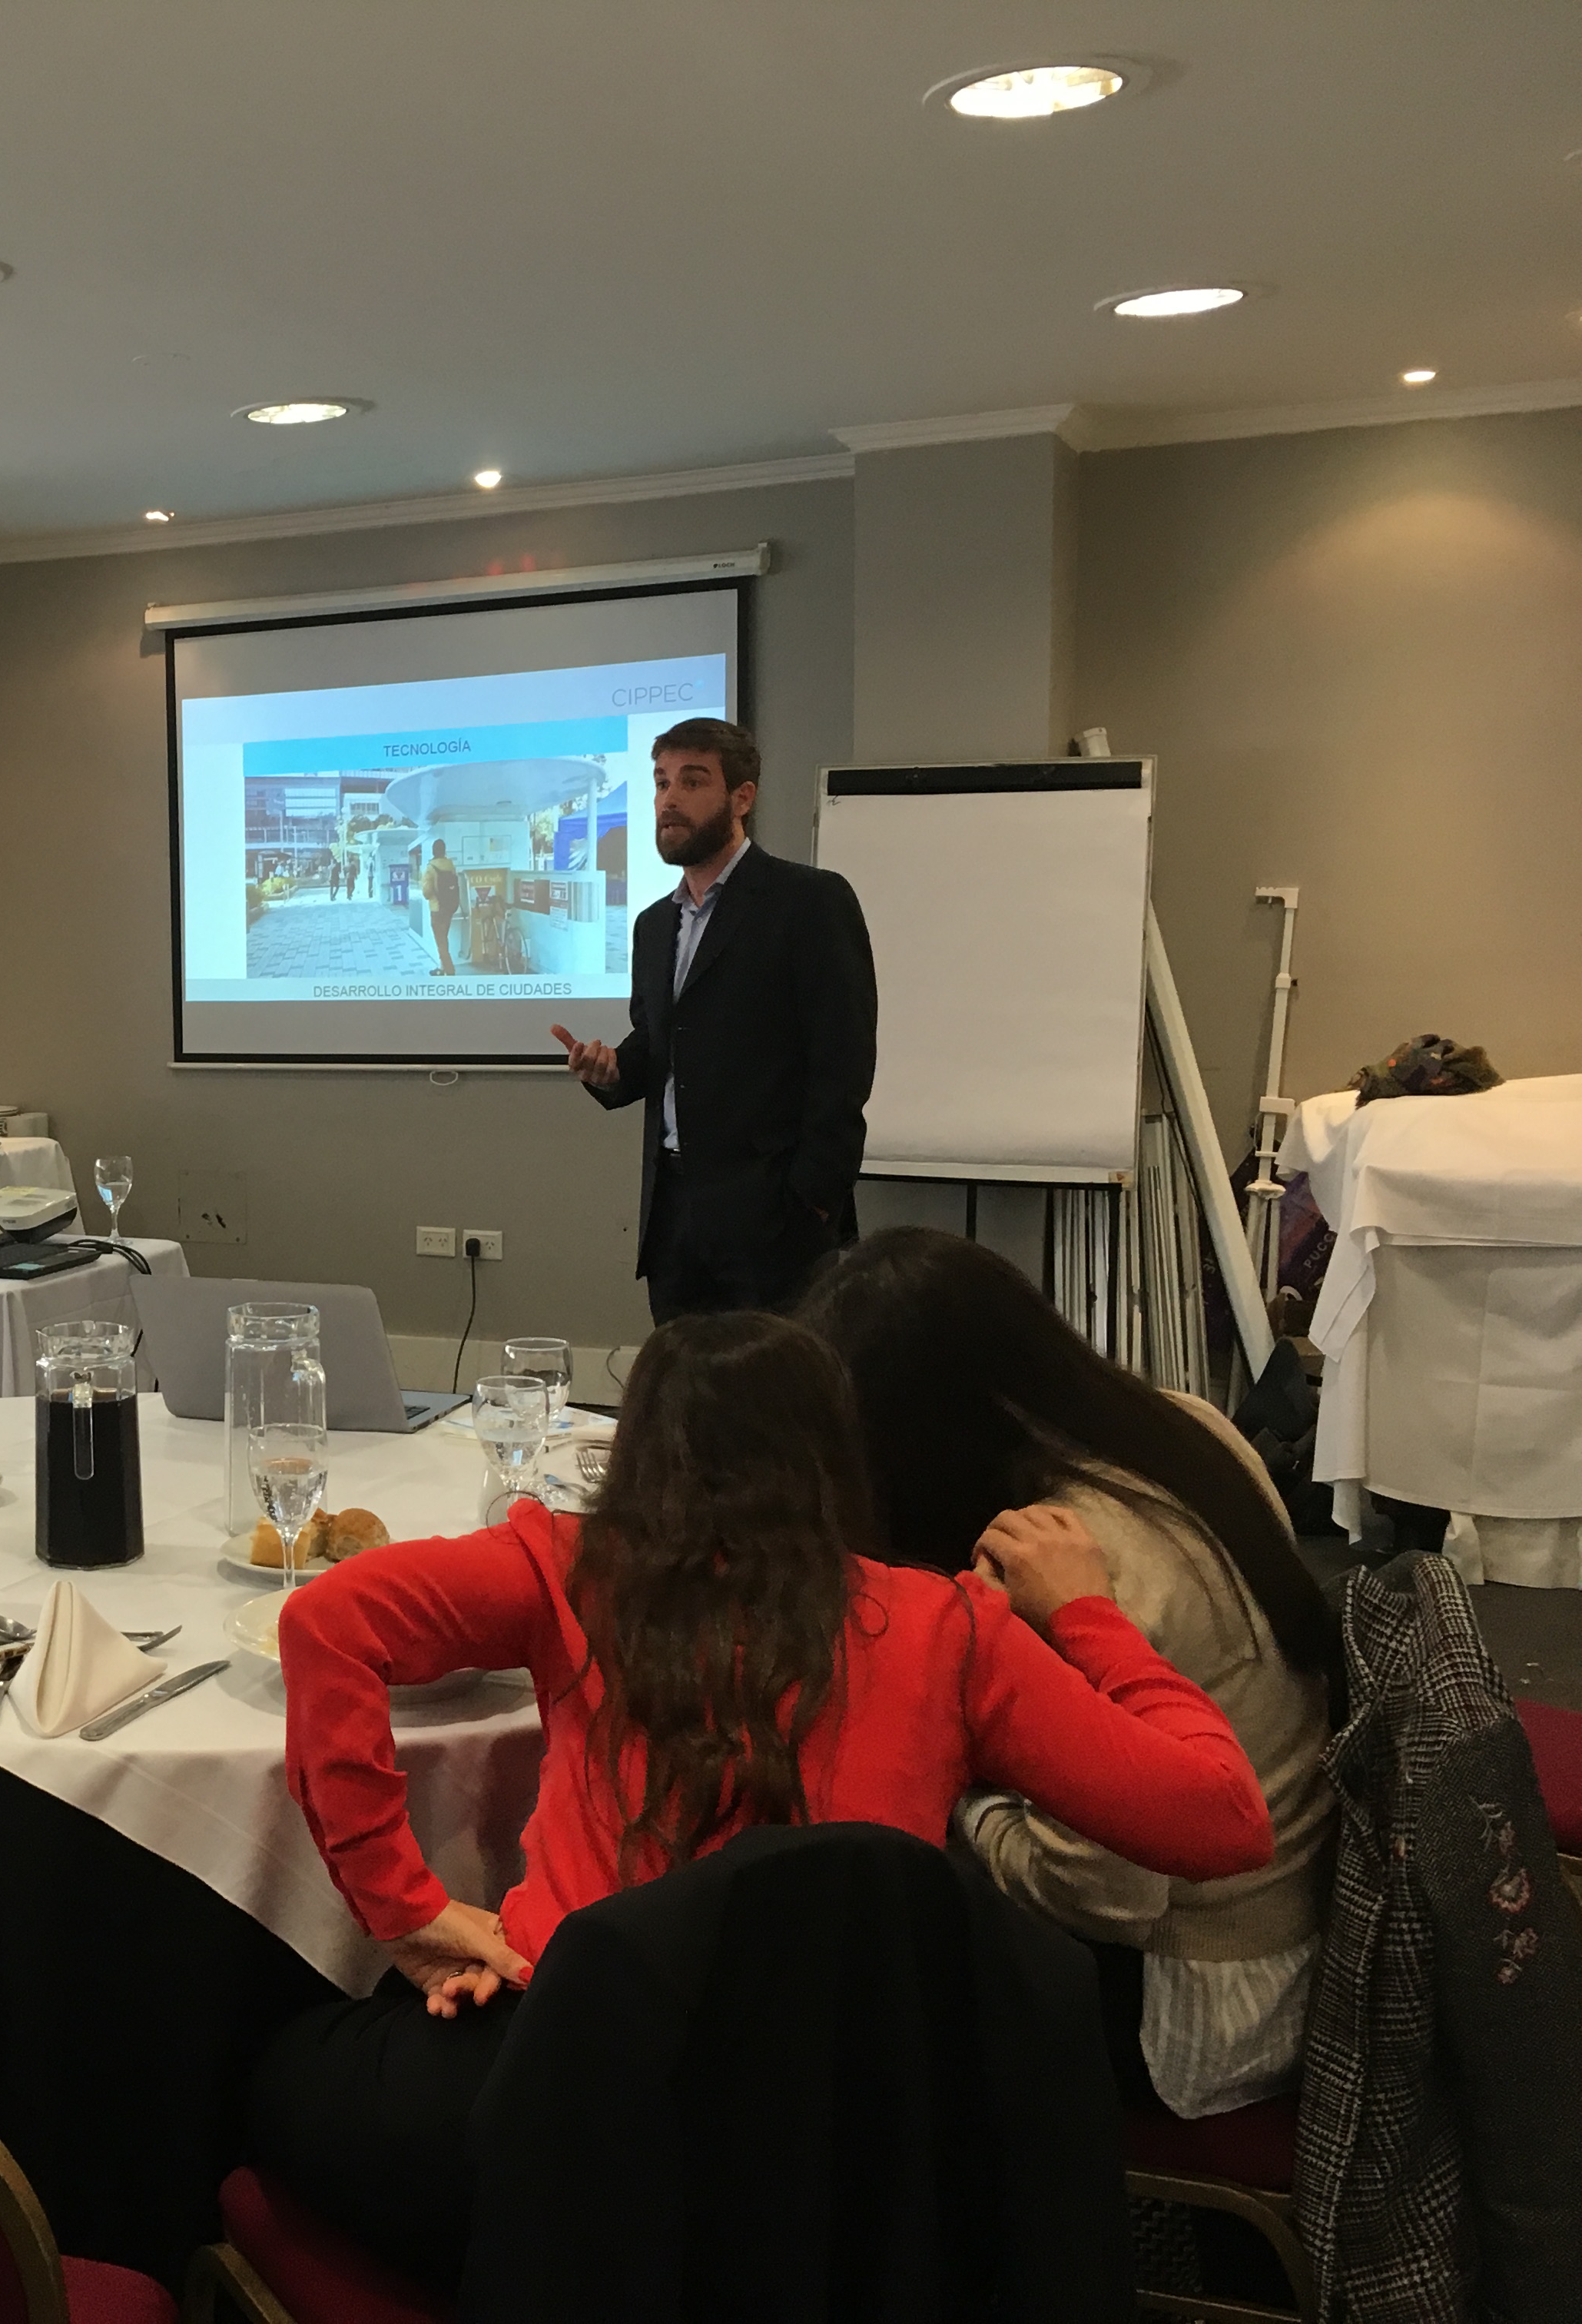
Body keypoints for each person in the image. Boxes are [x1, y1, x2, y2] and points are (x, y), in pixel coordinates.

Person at [249, 1311, 1274, 2294]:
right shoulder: (949, 1631)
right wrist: (1088, 1613)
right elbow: (1221, 1816)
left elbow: (324, 1627)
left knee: (283, 2064)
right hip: (839, 2146)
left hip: (580, 2109)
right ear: (838, 1457)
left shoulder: (576, 1568)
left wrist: (405, 1907)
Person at [798, 1227, 1337, 2120]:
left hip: (1195, 1993)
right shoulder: (1182, 1425)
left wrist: (962, 1803)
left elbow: (1100, 1893)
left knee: (842, 1910)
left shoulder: (1059, 1574)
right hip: (1294, 1917)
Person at [550, 716, 876, 1321]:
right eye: (661, 781)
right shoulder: (653, 926)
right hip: (674, 1217)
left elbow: (844, 1063)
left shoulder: (808, 902)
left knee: (780, 1406)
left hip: (776, 1221)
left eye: (692, 782)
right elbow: (659, 1048)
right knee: (684, 1403)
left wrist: (812, 1203)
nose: (669, 799)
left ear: (741, 798)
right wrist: (611, 1069)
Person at [422, 838, 463, 974]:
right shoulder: (450, 865)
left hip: (437, 909)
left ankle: (450, 971)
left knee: (441, 944)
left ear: (433, 851)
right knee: (444, 939)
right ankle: (442, 968)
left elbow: (426, 893)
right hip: (449, 908)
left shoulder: (430, 868)